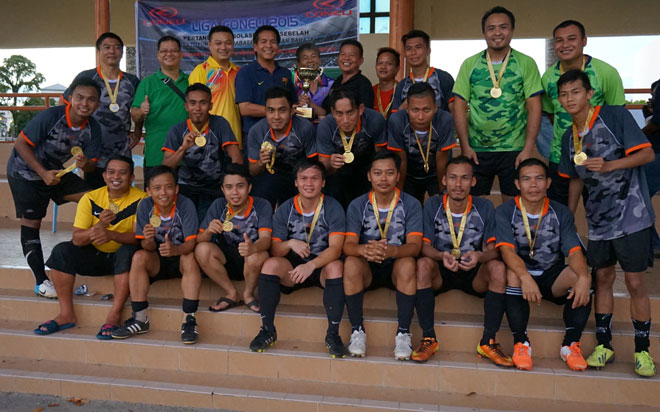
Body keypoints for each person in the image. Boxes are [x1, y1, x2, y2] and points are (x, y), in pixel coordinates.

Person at [557, 70, 656, 377]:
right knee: (602, 279)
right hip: (598, 223)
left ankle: (642, 352)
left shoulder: (614, 117)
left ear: (589, 94)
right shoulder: (568, 137)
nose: (570, 98)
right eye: (564, 94)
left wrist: (611, 164)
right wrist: (567, 219)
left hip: (633, 216)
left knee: (635, 282)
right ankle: (605, 345)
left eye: (575, 92)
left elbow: (647, 154)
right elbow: (574, 181)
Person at [7, 77, 102, 299]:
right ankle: (41, 281)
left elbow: (92, 163)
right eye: (79, 97)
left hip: (56, 172)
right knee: (32, 223)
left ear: (97, 104)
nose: (84, 103)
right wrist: (41, 173)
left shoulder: (94, 128)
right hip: (25, 173)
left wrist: (84, 163)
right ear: (70, 97)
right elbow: (20, 144)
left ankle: (98, 256)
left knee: (94, 199)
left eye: (91, 100)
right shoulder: (52, 116)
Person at [34, 155, 146, 338]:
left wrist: (112, 235)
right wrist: (100, 227)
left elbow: (139, 239)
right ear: (104, 176)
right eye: (111, 172)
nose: (116, 177)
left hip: (123, 258)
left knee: (129, 252)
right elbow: (77, 239)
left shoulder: (142, 200)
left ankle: (114, 315)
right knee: (62, 251)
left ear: (132, 178)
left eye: (123, 173)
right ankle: (66, 314)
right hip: (95, 256)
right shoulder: (91, 198)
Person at [496, 158, 592, 371]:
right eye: (526, 179)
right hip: (522, 276)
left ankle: (570, 345)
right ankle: (521, 343)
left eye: (539, 179)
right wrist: (525, 277)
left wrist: (585, 277)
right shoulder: (504, 212)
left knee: (581, 276)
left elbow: (574, 251)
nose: (533, 185)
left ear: (548, 183)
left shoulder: (561, 212)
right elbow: (506, 251)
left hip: (551, 274)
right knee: (512, 273)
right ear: (517, 184)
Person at [414, 156, 511, 366]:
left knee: (498, 267)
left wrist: (480, 256)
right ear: (444, 181)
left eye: (465, 178)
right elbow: (423, 246)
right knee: (422, 264)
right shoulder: (432, 205)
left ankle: (488, 341)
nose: (458, 184)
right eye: (453, 178)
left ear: (473, 182)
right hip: (442, 268)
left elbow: (495, 250)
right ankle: (429, 337)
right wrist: (441, 256)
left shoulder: (485, 207)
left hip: (473, 270)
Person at [249, 159, 348, 358]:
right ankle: (267, 329)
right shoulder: (286, 209)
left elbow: (336, 249)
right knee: (270, 264)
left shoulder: (333, 207)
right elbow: (276, 249)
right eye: (303, 179)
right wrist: (290, 243)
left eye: (314, 178)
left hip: (320, 266)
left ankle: (333, 334)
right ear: (295, 182)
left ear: (323, 183)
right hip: (292, 270)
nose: (309, 183)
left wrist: (311, 265)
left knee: (337, 267)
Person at [452, 7, 543, 201]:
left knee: (514, 207)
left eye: (503, 27)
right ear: (484, 32)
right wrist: (465, 146)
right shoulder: (470, 64)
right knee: (475, 207)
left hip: (515, 149)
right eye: (491, 28)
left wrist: (528, 148)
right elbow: (459, 105)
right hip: (477, 150)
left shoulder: (526, 63)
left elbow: (535, 106)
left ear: (512, 30)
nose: (497, 32)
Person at [343, 151, 423, 360]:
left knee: (408, 263)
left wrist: (392, 251)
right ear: (369, 176)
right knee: (351, 262)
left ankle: (403, 333)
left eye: (389, 173)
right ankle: (357, 330)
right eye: (377, 173)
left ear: (398, 175)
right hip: (367, 267)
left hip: (396, 265)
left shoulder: (411, 204)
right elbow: (348, 246)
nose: (383, 178)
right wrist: (364, 250)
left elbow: (415, 247)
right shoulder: (357, 204)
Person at [112, 166, 202, 344]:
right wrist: (148, 239)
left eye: (168, 187)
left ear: (176, 188)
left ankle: (189, 320)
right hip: (157, 259)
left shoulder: (185, 204)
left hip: (181, 256)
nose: (163, 193)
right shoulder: (145, 205)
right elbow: (146, 246)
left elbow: (191, 243)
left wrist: (174, 250)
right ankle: (140, 318)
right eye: (157, 188)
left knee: (190, 256)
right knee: (138, 256)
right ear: (148, 191)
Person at [542, 20, 625, 205]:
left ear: (584, 41)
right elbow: (551, 113)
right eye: (559, 40)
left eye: (572, 39)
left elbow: (617, 116)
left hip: (599, 157)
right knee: (558, 211)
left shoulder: (606, 72)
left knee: (601, 211)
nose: (565, 45)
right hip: (560, 156)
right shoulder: (548, 77)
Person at [63, 32, 141, 188]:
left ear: (122, 52)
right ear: (98, 52)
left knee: (122, 196)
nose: (112, 51)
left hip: (121, 149)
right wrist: (74, 133)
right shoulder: (87, 77)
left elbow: (138, 110)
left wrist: (137, 132)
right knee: (95, 197)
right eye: (107, 47)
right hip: (93, 150)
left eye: (117, 48)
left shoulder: (132, 81)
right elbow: (65, 103)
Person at [195, 163, 272, 312]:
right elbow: (199, 239)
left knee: (257, 255)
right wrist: (208, 231)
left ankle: (248, 294)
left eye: (240, 186)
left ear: (249, 188)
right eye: (229, 187)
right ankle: (231, 293)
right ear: (223, 190)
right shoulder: (218, 205)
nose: (235, 192)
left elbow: (266, 240)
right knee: (202, 249)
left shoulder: (262, 205)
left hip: (252, 259)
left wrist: (253, 247)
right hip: (227, 259)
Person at [162, 83, 242, 221]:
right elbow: (166, 166)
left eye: (203, 103)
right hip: (185, 186)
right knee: (187, 224)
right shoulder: (177, 130)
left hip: (215, 185)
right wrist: (183, 148)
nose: (198, 108)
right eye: (192, 103)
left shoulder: (219, 123)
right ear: (186, 106)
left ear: (210, 106)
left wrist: (231, 185)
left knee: (209, 223)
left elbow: (236, 158)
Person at [247, 86, 317, 208]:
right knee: (263, 188)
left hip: (299, 176)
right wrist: (260, 163)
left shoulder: (305, 128)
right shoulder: (257, 131)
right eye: (271, 110)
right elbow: (253, 171)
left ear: (292, 110)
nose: (276, 116)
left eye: (282, 110)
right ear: (265, 111)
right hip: (270, 176)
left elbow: (314, 164)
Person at [131, 35, 189, 180]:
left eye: (173, 51)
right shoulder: (147, 83)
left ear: (180, 54)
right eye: (164, 51)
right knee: (156, 199)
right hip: (157, 153)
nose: (169, 54)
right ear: (158, 55)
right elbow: (135, 115)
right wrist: (141, 111)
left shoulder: (191, 80)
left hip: (189, 154)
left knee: (187, 201)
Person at [317, 88, 386, 209]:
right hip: (338, 175)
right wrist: (331, 164)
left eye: (350, 112)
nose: (345, 120)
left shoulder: (375, 121)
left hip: (367, 172)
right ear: (332, 112)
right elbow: (323, 168)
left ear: (360, 109)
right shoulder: (326, 126)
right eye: (339, 113)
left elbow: (382, 160)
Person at [387, 82, 456, 204]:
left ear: (435, 107)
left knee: (439, 205)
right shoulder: (397, 121)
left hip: (436, 174)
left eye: (426, 110)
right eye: (415, 110)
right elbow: (401, 160)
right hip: (408, 174)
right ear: (407, 108)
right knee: (409, 207)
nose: (420, 116)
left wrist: (443, 193)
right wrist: (399, 196)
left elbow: (442, 159)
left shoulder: (445, 119)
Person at [235, 25, 296, 135]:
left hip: (285, 137)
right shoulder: (245, 72)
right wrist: (278, 112)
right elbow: (245, 109)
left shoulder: (285, 73)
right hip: (256, 137)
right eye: (264, 41)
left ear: (277, 47)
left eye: (273, 41)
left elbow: (292, 104)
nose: (268, 45)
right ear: (255, 47)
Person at [189, 25, 242, 146]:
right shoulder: (201, 71)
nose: (223, 47)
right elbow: (194, 109)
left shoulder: (239, 72)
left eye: (228, 43)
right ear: (209, 45)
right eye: (218, 43)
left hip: (235, 139)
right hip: (210, 141)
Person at [392, 30, 454, 113]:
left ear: (428, 50)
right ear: (405, 53)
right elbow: (395, 118)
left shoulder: (443, 78)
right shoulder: (402, 85)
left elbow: (455, 113)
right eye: (409, 48)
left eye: (418, 47)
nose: (413, 52)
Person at [322, 40, 374, 112]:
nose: (346, 58)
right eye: (343, 54)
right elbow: (326, 108)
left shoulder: (364, 84)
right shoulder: (338, 81)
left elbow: (366, 115)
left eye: (352, 55)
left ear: (361, 60)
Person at [292, 42, 334, 119]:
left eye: (313, 56)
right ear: (298, 63)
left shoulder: (331, 84)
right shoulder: (293, 85)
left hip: (324, 128)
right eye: (305, 57)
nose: (310, 60)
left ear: (319, 60)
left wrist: (310, 103)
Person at [642, 79, 660, 256]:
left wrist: (640, 134)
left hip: (657, 153)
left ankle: (653, 243)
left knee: (641, 197)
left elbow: (657, 122)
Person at [372, 47, 400, 119]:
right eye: (380, 63)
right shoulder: (370, 91)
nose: (383, 67)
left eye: (389, 63)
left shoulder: (402, 91)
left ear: (397, 68)